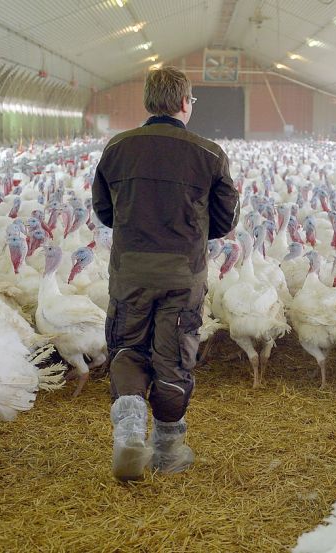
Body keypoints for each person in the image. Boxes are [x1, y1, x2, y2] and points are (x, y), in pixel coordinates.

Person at [91, 67, 239, 481]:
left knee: (126, 347)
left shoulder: (117, 148)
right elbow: (225, 220)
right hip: (181, 275)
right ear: (185, 103)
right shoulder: (208, 155)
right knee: (173, 355)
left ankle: (130, 428)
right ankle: (168, 448)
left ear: (147, 102)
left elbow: (104, 212)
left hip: (130, 273)